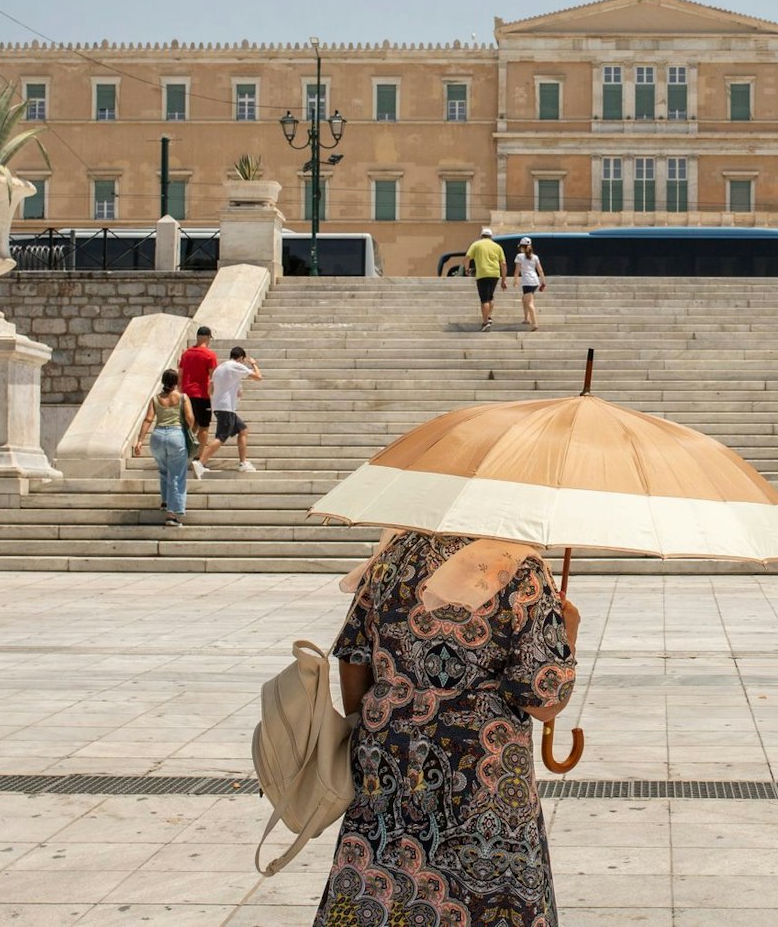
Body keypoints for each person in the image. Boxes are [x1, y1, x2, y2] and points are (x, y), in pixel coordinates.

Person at [315, 531, 578, 926]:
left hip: (388, 759)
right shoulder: (521, 569)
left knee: (383, 885)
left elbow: (352, 656)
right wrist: (569, 627)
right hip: (481, 772)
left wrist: (376, 729)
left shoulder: (395, 555)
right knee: (483, 899)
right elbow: (543, 702)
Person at [133, 369, 193, 527]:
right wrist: (188, 430)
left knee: (164, 471)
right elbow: (189, 418)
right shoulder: (182, 397)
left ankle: (166, 501)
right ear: (176, 382)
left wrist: (140, 440)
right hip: (176, 435)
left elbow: (148, 419)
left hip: (157, 436)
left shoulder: (155, 399)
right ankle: (172, 515)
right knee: (177, 475)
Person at [198, 346, 261, 474]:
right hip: (226, 407)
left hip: (220, 406)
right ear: (241, 358)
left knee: (243, 430)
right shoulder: (235, 365)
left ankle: (243, 463)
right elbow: (258, 377)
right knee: (221, 437)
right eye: (243, 360)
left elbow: (210, 390)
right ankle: (200, 462)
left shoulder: (219, 369)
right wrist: (254, 364)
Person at [178, 326, 217, 479]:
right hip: (201, 395)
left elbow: (180, 376)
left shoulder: (186, 353)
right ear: (208, 338)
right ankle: (198, 459)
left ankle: (183, 453)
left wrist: (181, 394)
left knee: (190, 426)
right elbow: (213, 378)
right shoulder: (209, 354)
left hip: (187, 395)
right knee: (204, 427)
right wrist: (212, 394)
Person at [466, 227, 507, 332]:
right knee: (490, 296)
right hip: (495, 274)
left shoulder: (476, 245)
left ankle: (485, 322)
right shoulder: (497, 247)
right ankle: (488, 316)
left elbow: (467, 258)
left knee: (484, 299)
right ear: (491, 236)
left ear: (481, 236)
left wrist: (467, 269)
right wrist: (503, 279)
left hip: (482, 274)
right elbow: (503, 263)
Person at [512, 236, 547, 331]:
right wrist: (543, 281)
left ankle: (535, 323)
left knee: (530, 303)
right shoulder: (535, 257)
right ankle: (526, 318)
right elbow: (540, 270)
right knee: (524, 299)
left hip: (527, 282)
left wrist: (515, 280)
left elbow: (517, 271)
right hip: (534, 281)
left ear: (521, 247)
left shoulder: (519, 256)